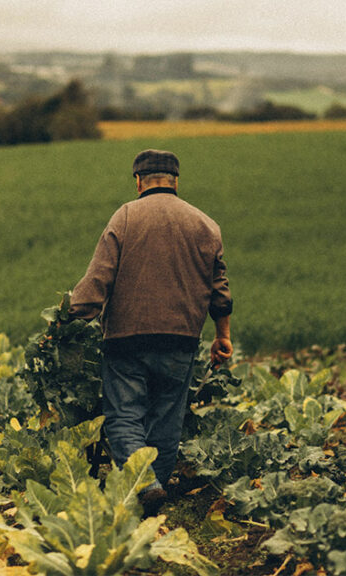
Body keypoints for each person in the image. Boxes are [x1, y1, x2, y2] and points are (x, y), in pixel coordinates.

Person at [69, 149, 233, 508]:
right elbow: (219, 290)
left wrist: (69, 318)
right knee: (167, 418)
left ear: (138, 181)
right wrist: (223, 336)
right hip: (181, 339)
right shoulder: (205, 224)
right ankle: (155, 488)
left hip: (126, 339)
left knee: (124, 416)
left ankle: (144, 485)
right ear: (176, 181)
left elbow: (98, 279)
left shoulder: (126, 216)